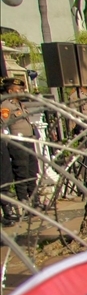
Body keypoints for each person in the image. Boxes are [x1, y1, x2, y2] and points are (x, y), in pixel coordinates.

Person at [1, 78, 38, 224]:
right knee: (21, 172)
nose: (22, 91)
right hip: (17, 142)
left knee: (32, 171)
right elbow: (4, 124)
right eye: (19, 89)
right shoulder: (6, 106)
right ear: (10, 91)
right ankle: (25, 203)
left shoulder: (20, 104)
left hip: (28, 140)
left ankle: (34, 201)